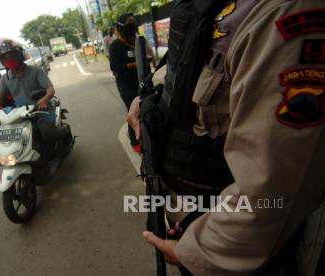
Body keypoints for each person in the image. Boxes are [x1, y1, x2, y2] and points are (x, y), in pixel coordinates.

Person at [127, 0, 325, 274]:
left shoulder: (283, 10)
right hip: (189, 219)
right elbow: (204, 87)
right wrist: (152, 100)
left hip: (232, 250)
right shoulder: (213, 5)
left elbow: (274, 192)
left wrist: (197, 252)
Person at [0, 38, 70, 156]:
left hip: (42, 110)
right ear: (1, 61)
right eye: (5, 57)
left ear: (19, 55)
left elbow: (50, 89)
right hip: (20, 114)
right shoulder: (5, 79)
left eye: (12, 55)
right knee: (11, 138)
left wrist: (44, 99)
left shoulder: (35, 70)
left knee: (48, 134)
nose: (9, 59)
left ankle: (65, 131)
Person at [109, 13, 154, 153]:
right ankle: (135, 141)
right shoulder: (116, 45)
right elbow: (114, 67)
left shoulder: (138, 41)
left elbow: (148, 56)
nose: (132, 24)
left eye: (133, 21)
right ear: (121, 25)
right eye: (129, 22)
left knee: (148, 107)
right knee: (133, 111)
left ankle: (149, 136)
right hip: (126, 85)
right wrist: (133, 65)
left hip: (144, 80)